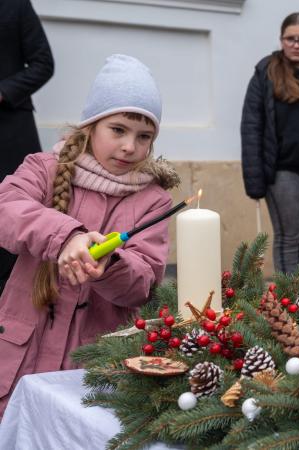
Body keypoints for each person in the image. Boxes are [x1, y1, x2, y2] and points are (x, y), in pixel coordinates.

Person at [0, 54, 177, 416]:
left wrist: (109, 264)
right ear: (91, 125)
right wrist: (66, 236)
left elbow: (143, 281)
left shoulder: (154, 200)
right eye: (118, 130)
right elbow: (7, 206)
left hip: (88, 373)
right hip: (16, 363)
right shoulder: (45, 169)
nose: (130, 146)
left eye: (144, 136)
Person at [240, 13, 299, 274]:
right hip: (281, 169)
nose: (296, 44)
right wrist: (254, 179)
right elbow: (251, 126)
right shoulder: (265, 72)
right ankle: (288, 296)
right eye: (290, 38)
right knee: (289, 236)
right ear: (282, 40)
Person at [0, 0, 54, 296]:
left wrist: (3, 91)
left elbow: (44, 63)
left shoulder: (15, 4)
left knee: (18, 209)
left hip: (10, 131)